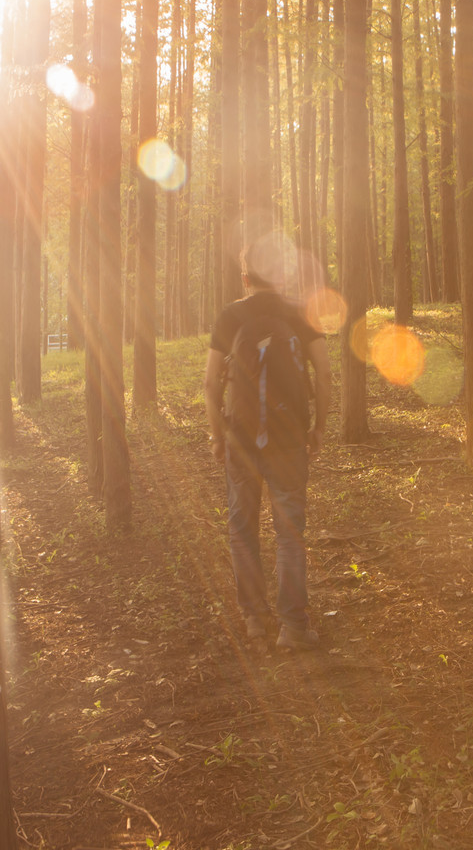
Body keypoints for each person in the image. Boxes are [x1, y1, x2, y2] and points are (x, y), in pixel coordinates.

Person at [204, 250, 334, 651]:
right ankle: (293, 628)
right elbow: (325, 372)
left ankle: (254, 620)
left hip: (241, 441)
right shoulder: (299, 312)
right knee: (290, 535)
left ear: (246, 279)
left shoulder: (229, 317)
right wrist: (318, 428)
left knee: (242, 530)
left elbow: (210, 384)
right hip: (289, 439)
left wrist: (217, 436)